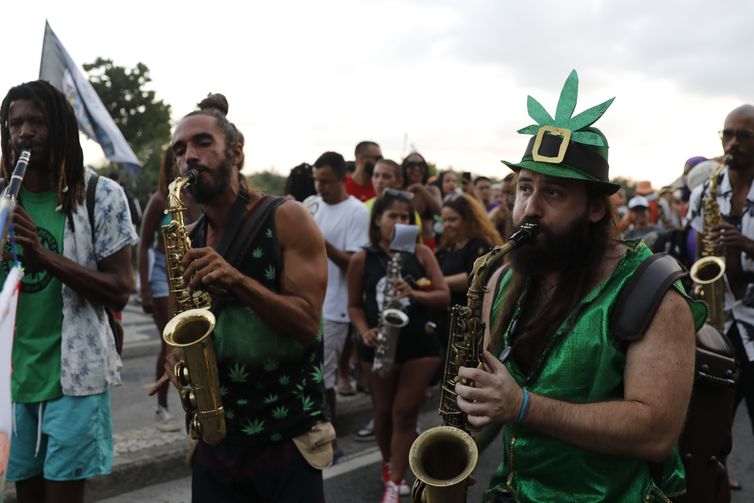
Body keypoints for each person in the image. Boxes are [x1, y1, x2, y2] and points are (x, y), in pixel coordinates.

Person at [454, 70, 705, 502]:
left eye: (553, 194)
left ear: (593, 208)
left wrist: (524, 408)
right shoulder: (500, 278)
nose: (529, 209)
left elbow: (655, 433)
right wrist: (458, 452)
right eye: (524, 188)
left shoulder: (653, 292)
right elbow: (491, 401)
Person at [163, 93, 329, 502]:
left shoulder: (287, 217)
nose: (189, 158)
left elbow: (307, 324)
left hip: (287, 440)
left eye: (202, 143)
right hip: (216, 442)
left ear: (236, 152)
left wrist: (237, 280)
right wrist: (178, 358)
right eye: (180, 150)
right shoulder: (189, 236)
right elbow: (184, 322)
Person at [0, 80, 137, 503]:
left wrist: (46, 259)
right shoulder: (3, 201)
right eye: (15, 123)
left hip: (74, 379)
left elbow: (119, 290)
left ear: (60, 128)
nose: (24, 132)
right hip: (14, 380)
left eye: (37, 122)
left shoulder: (100, 195)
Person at [347, 190, 449, 503]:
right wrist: (364, 331)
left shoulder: (420, 253)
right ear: (378, 219)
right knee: (383, 412)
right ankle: (388, 462)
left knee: (404, 413)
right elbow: (354, 306)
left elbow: (443, 296)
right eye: (393, 215)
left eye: (406, 217)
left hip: (419, 344)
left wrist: (414, 294)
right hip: (378, 345)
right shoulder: (363, 257)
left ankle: (395, 480)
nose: (400, 221)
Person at [687, 104, 754, 489]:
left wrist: (746, 243)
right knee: (708, 429)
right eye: (727, 134)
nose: (732, 143)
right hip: (720, 322)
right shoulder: (704, 193)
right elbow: (698, 253)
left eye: (743, 136)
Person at [310, 150, 370, 459]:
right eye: (317, 180)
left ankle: (330, 443)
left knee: (327, 377)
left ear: (342, 179)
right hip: (308, 302)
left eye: (326, 182)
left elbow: (354, 264)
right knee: (313, 373)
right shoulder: (313, 205)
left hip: (336, 306)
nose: (320, 187)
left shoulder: (357, 212)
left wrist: (318, 240)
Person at [138, 147, 196, 432]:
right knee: (170, 341)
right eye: (177, 157)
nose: (183, 161)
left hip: (190, 271)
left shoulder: (196, 197)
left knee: (193, 341)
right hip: (162, 274)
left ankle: (195, 401)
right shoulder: (159, 199)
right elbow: (143, 243)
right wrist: (145, 290)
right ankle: (162, 407)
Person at [433, 193, 501, 349]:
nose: (447, 225)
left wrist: (437, 283)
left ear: (468, 220)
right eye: (444, 220)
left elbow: (474, 279)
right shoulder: (447, 246)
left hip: (469, 322)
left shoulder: (480, 244)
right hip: (446, 319)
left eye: (453, 219)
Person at [401, 153, 442, 250]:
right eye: (411, 165)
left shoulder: (432, 190)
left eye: (421, 165)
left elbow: (440, 212)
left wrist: (420, 188)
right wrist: (410, 190)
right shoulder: (400, 191)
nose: (416, 169)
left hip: (427, 243)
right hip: (404, 243)